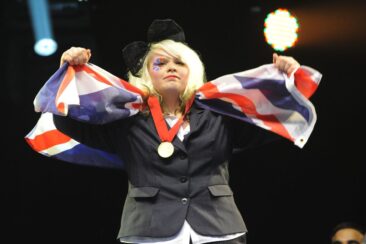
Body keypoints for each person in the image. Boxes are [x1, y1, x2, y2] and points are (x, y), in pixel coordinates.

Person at [27, 19, 321, 244]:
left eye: (179, 62)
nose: (171, 68)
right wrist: (68, 70)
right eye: (161, 62)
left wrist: (289, 82)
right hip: (147, 231)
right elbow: (67, 120)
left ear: (191, 70)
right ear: (146, 73)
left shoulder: (221, 115)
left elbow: (270, 122)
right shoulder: (125, 122)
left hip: (218, 230)